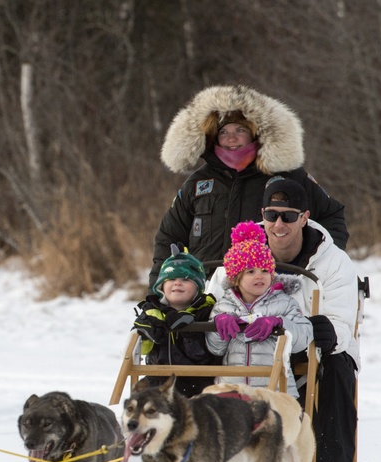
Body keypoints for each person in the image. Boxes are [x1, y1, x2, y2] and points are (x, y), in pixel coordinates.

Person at [149, 84, 348, 288]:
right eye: (223, 131)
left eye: (240, 130)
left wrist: (321, 266)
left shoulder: (288, 177)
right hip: (207, 296)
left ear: (255, 133)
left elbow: (331, 217)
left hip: (270, 294)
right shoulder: (198, 183)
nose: (231, 138)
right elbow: (168, 239)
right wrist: (157, 294)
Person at [259, 177, 361, 462]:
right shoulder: (246, 249)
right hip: (256, 342)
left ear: (304, 217)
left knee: (335, 369)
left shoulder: (332, 260)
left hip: (315, 350)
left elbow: (344, 322)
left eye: (288, 216)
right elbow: (219, 295)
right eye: (272, 215)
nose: (278, 224)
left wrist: (327, 331)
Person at [206, 222, 313, 397]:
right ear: (235, 278)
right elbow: (215, 348)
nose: (259, 276)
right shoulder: (224, 305)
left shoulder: (285, 303)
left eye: (264, 270)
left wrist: (281, 324)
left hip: (275, 391)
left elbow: (303, 338)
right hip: (233, 391)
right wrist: (219, 326)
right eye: (250, 271)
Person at [132, 245, 220, 398]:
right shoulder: (153, 311)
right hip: (158, 381)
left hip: (197, 384)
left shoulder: (206, 312)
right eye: (171, 279)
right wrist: (147, 330)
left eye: (185, 279)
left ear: (198, 286)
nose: (177, 283)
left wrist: (189, 331)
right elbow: (143, 350)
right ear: (162, 286)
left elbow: (204, 355)